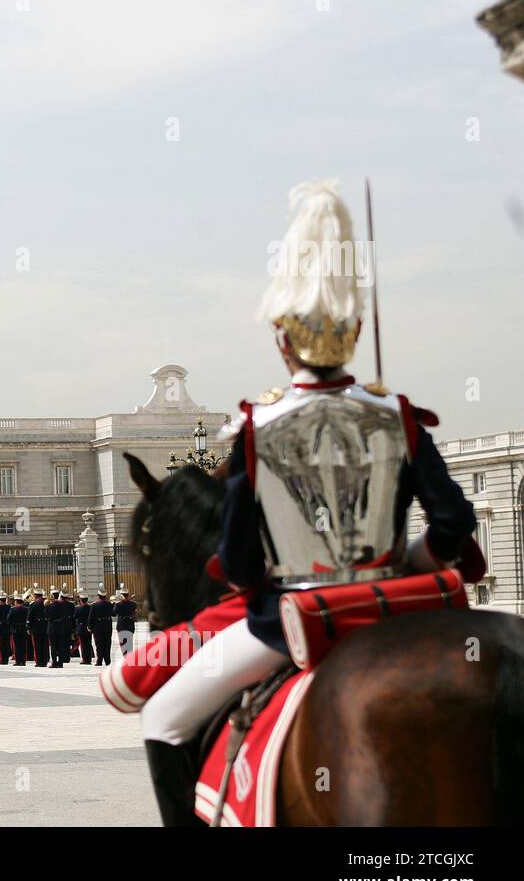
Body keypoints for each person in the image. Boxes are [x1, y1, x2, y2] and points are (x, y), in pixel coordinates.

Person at [137, 179, 477, 826]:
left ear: (281, 340)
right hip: (396, 607)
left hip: (291, 619)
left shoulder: (256, 428)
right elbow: (454, 523)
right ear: (353, 333)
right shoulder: (398, 415)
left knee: (163, 715)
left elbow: (237, 562)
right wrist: (406, 559)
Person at [47, 588, 73, 668]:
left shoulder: (48, 606)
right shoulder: (64, 606)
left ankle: (54, 662)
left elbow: (47, 617)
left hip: (52, 628)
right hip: (61, 628)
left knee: (53, 646)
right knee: (61, 645)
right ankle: (61, 662)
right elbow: (66, 616)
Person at [90, 586, 114, 666]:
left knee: (99, 644)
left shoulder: (94, 605)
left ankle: (99, 660)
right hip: (107, 626)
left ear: (98, 595)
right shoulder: (109, 604)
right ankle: (108, 660)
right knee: (107, 644)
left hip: (98, 627)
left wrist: (89, 626)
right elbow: (113, 614)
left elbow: (91, 617)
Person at [73, 591, 94, 665]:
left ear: (81, 600)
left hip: (81, 628)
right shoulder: (91, 607)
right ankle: (89, 659)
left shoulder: (78, 608)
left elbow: (75, 617)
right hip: (89, 628)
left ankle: (85, 659)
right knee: (88, 644)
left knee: (83, 645)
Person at [8, 591, 28, 666]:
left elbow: (8, 619)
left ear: (16, 601)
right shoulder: (26, 609)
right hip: (23, 628)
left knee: (16, 646)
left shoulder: (13, 609)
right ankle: (23, 661)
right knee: (23, 646)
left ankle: (18, 661)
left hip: (15, 629)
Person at [116, 590, 138, 656]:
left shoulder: (118, 604)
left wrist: (115, 604)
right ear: (128, 595)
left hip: (121, 625)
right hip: (130, 624)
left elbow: (113, 613)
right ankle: (130, 656)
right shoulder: (133, 604)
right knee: (129, 642)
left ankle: (125, 657)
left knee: (122, 642)